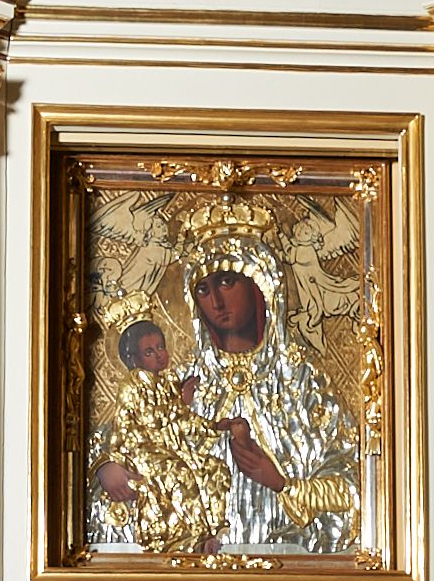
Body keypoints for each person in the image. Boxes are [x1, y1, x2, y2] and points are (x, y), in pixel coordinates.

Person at [182, 218, 360, 555]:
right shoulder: (186, 384)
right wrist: (108, 468)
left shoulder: (302, 380)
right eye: (203, 290)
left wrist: (282, 484)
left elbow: (354, 485)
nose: (216, 302)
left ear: (259, 284)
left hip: (289, 563)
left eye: (227, 281)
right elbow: (139, 454)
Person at [90, 319, 231, 557]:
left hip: (171, 449)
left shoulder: (167, 384)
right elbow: (136, 425)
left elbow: (183, 420)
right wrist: (178, 404)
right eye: (149, 352)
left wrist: (213, 426)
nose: (158, 355)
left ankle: (214, 533)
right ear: (134, 359)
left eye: (160, 347)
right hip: (141, 450)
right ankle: (191, 539)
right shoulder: (133, 385)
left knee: (215, 469)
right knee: (180, 473)